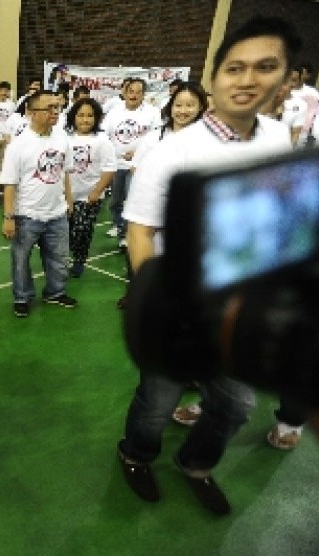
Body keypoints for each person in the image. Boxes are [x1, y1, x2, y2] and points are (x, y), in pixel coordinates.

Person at [117, 16, 298, 516]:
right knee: (157, 401)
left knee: (237, 405)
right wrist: (155, 305)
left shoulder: (280, 138)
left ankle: (195, 463)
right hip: (183, 308)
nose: (247, 80)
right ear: (214, 78)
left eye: (265, 67)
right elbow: (139, 230)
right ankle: (136, 454)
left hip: (247, 309)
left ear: (284, 79)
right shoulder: (173, 150)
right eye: (235, 68)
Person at [0, 90, 76, 318]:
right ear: (32, 113)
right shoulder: (18, 145)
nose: (55, 112)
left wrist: (69, 200)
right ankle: (22, 297)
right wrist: (8, 217)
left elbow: (64, 172)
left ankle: (55, 292)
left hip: (57, 213)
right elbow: (9, 183)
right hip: (27, 215)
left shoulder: (62, 137)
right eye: (49, 108)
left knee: (60, 259)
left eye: (57, 107)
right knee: (21, 262)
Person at [102, 78, 161, 247]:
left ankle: (127, 236)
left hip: (138, 166)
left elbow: (157, 137)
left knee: (131, 200)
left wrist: (138, 153)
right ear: (124, 93)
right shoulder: (114, 112)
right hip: (116, 164)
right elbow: (104, 135)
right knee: (115, 200)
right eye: (131, 91)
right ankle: (118, 225)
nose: (134, 95)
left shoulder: (152, 112)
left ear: (143, 94)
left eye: (138, 92)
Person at [63, 97, 116, 277]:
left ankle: (79, 259)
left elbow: (109, 169)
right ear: (73, 117)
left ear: (96, 118)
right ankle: (62, 258)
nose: (85, 120)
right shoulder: (65, 138)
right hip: (65, 195)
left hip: (89, 196)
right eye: (81, 115)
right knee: (65, 230)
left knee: (82, 230)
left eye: (90, 116)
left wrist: (96, 192)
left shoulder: (102, 140)